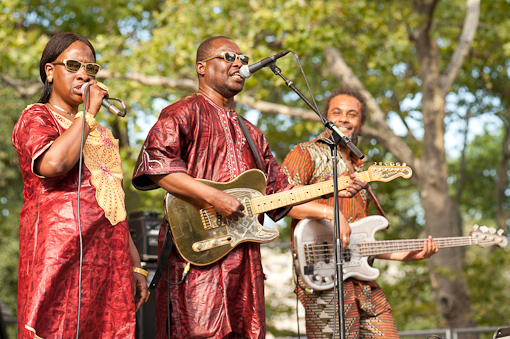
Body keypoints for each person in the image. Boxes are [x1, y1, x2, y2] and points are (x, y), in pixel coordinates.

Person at [132, 36, 362, 339]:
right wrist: (215, 197)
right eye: (228, 57)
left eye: (242, 57)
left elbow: (280, 198)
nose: (239, 62)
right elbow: (155, 167)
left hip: (245, 260)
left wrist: (329, 202)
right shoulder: (182, 112)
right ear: (202, 67)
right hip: (197, 255)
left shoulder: (252, 133)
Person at [12, 32, 147, 338]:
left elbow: (114, 204)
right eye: (73, 65)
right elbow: (54, 165)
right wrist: (86, 115)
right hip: (59, 254)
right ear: (50, 70)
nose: (84, 74)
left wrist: (135, 263)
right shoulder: (36, 117)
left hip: (107, 261)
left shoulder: (100, 132)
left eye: (91, 68)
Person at [281, 88, 439, 339]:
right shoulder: (305, 153)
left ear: (361, 123)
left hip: (363, 282)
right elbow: (280, 205)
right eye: (337, 112)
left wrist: (408, 255)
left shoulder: (360, 171)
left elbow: (359, 240)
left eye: (352, 114)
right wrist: (332, 213)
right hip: (323, 276)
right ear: (326, 119)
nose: (344, 118)